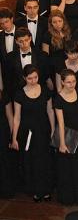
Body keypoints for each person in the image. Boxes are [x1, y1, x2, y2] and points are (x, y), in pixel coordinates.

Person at [11, 65, 54, 202]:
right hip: (27, 133)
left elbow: (50, 111)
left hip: (43, 130)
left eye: (35, 77)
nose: (33, 80)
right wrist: (14, 138)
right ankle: (36, 189)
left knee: (45, 161)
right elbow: (16, 117)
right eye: (30, 78)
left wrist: (53, 129)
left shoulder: (45, 90)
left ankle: (46, 189)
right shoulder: (19, 94)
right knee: (32, 161)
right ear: (24, 78)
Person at [54, 69, 78, 205]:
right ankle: (68, 198)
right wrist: (62, 143)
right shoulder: (58, 98)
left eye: (73, 81)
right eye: (68, 82)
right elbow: (60, 123)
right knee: (67, 169)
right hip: (66, 134)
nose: (71, 84)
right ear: (62, 82)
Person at [5, 27, 50, 98]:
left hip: (39, 93)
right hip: (18, 94)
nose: (24, 43)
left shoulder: (42, 55)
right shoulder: (10, 57)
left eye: (26, 40)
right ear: (16, 41)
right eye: (21, 41)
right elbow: (8, 79)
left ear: (30, 38)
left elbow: (45, 76)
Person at [42, 9, 71, 81]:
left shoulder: (68, 32)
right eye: (54, 22)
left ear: (64, 21)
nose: (58, 24)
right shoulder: (47, 35)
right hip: (54, 68)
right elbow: (45, 57)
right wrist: (48, 77)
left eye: (60, 21)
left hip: (68, 65)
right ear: (51, 23)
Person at [0, 88, 14, 198]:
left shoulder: (3, 94)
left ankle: (6, 190)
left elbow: (10, 117)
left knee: (4, 161)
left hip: (2, 132)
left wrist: (12, 137)